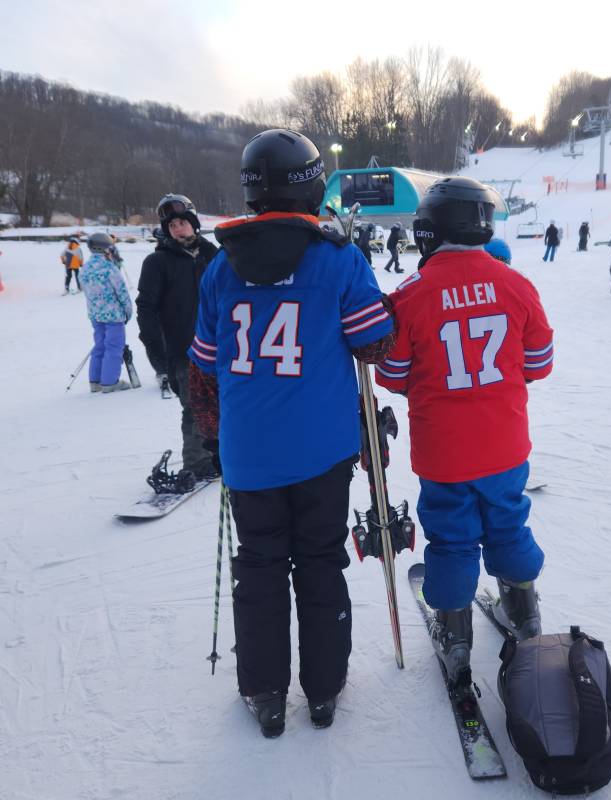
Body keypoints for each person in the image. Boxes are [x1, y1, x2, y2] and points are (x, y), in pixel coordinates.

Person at [188, 129, 395, 738]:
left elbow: (203, 367)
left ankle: (264, 690)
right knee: (321, 563)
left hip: (249, 453)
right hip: (325, 452)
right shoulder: (337, 258)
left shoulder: (220, 268)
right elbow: (374, 341)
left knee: (259, 566)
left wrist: (213, 435)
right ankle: (324, 690)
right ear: (310, 184)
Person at [375, 176, 553, 690]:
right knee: (508, 524)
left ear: (430, 231)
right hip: (505, 443)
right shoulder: (515, 283)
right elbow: (539, 362)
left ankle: (456, 637)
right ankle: (525, 612)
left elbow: (391, 375)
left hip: (444, 451)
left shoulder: (411, 293)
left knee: (452, 538)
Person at [136, 193, 219, 479]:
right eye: (172, 226)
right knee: (196, 409)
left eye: (183, 222)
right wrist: (158, 356)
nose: (178, 229)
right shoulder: (157, 263)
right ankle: (198, 463)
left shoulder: (214, 255)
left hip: (224, 348)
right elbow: (146, 310)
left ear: (194, 224)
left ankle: (227, 453)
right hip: (184, 352)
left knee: (229, 404)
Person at [79, 233, 133, 393]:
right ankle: (110, 382)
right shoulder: (110, 268)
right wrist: (128, 311)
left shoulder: (85, 268)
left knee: (100, 345)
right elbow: (122, 291)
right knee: (114, 347)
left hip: (95, 315)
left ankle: (95, 381)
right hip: (113, 315)